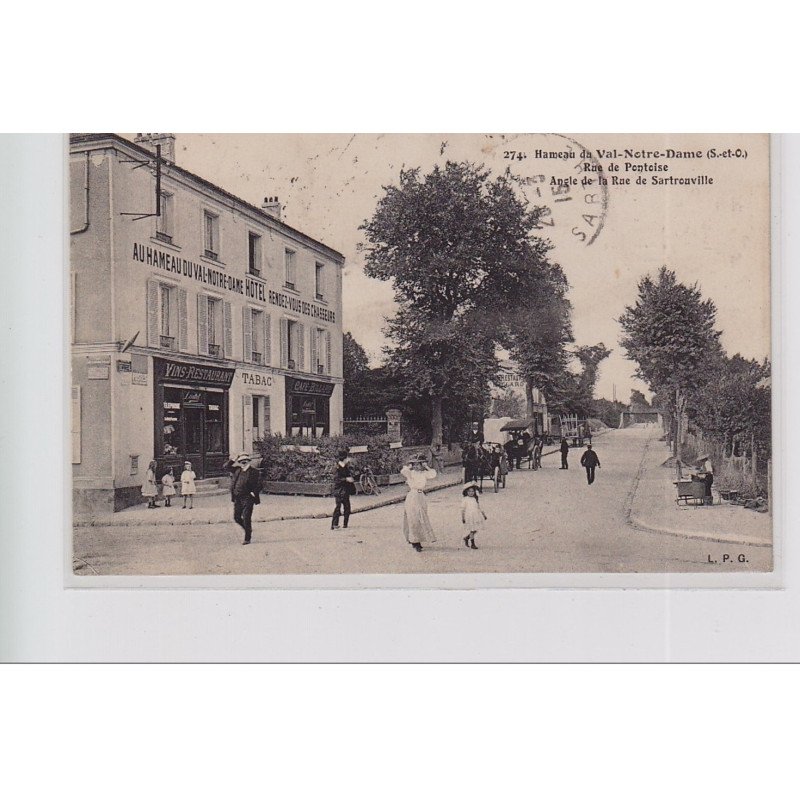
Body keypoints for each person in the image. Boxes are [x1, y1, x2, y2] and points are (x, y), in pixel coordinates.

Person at [400, 453, 437, 552]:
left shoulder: (424, 474)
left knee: (421, 518)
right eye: (414, 464)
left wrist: (426, 466)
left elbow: (433, 474)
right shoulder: (411, 473)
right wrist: (410, 466)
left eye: (418, 464)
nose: (416, 466)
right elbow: (403, 471)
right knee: (413, 519)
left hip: (421, 496)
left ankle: (419, 539)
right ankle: (415, 541)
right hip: (412, 496)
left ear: (422, 465)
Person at [225, 452, 262, 545]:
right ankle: (248, 529)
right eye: (241, 461)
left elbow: (260, 484)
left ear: (249, 461)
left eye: (245, 461)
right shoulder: (237, 470)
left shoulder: (254, 472)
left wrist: (254, 492)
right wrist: (234, 459)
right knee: (236, 517)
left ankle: (247, 538)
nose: (243, 463)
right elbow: (226, 467)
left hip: (248, 498)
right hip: (237, 498)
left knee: (246, 517)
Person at [331, 449, 355, 530]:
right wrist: (346, 479)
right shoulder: (337, 467)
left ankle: (345, 524)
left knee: (347, 507)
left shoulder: (345, 466)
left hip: (345, 490)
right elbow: (336, 479)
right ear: (344, 458)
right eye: (347, 458)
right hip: (339, 490)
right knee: (338, 507)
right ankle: (334, 524)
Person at [461, 481, 487, 550]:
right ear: (466, 492)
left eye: (472, 491)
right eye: (469, 491)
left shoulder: (475, 499)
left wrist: (484, 515)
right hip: (469, 516)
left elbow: (479, 507)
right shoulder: (465, 499)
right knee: (472, 530)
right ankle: (472, 543)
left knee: (475, 529)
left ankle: (467, 538)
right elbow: (463, 509)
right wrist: (463, 518)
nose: (471, 493)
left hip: (476, 516)